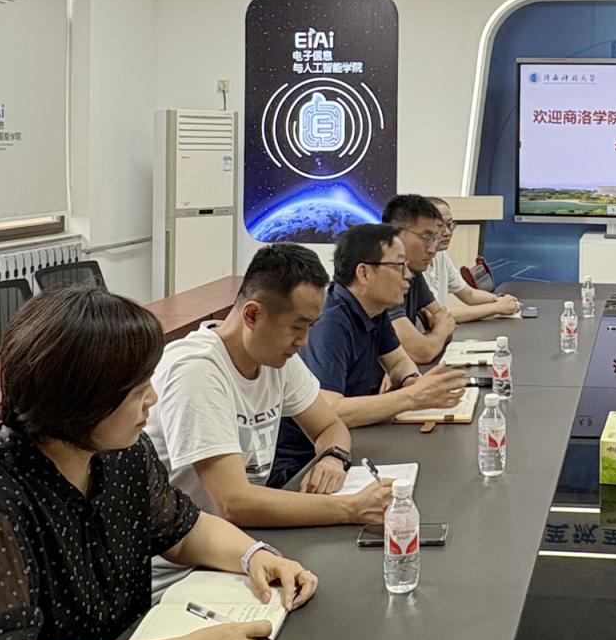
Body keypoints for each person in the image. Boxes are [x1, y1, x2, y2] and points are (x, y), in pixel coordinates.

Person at [0, 287, 319, 640]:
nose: (153, 399)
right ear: (79, 399)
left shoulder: (120, 451)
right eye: (136, 390)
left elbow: (183, 529)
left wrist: (254, 556)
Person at [146, 244, 391, 591]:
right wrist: (350, 508)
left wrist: (333, 458)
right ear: (252, 315)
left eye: (311, 327)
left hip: (245, 547)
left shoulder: (275, 358)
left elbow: (330, 425)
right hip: (184, 573)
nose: (304, 342)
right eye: (297, 327)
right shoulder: (196, 371)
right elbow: (234, 502)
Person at [272, 224, 467, 476]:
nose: (408, 275)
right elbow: (329, 410)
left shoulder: (375, 309)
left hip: (353, 440)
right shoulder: (329, 322)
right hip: (306, 463)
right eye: (399, 266)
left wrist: (412, 381)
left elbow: (399, 363)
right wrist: (412, 397)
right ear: (364, 273)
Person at [381, 194, 456, 363]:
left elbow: (446, 319)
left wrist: (439, 330)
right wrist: (439, 331)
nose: (432, 249)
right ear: (395, 234)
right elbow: (422, 353)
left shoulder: (413, 272)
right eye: (426, 238)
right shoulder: (381, 281)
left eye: (434, 239)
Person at [424, 197, 521, 322]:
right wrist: (497, 307)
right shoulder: (411, 265)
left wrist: (498, 299)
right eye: (439, 226)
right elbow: (435, 315)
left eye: (449, 225)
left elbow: (469, 294)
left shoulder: (441, 255)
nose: (447, 232)